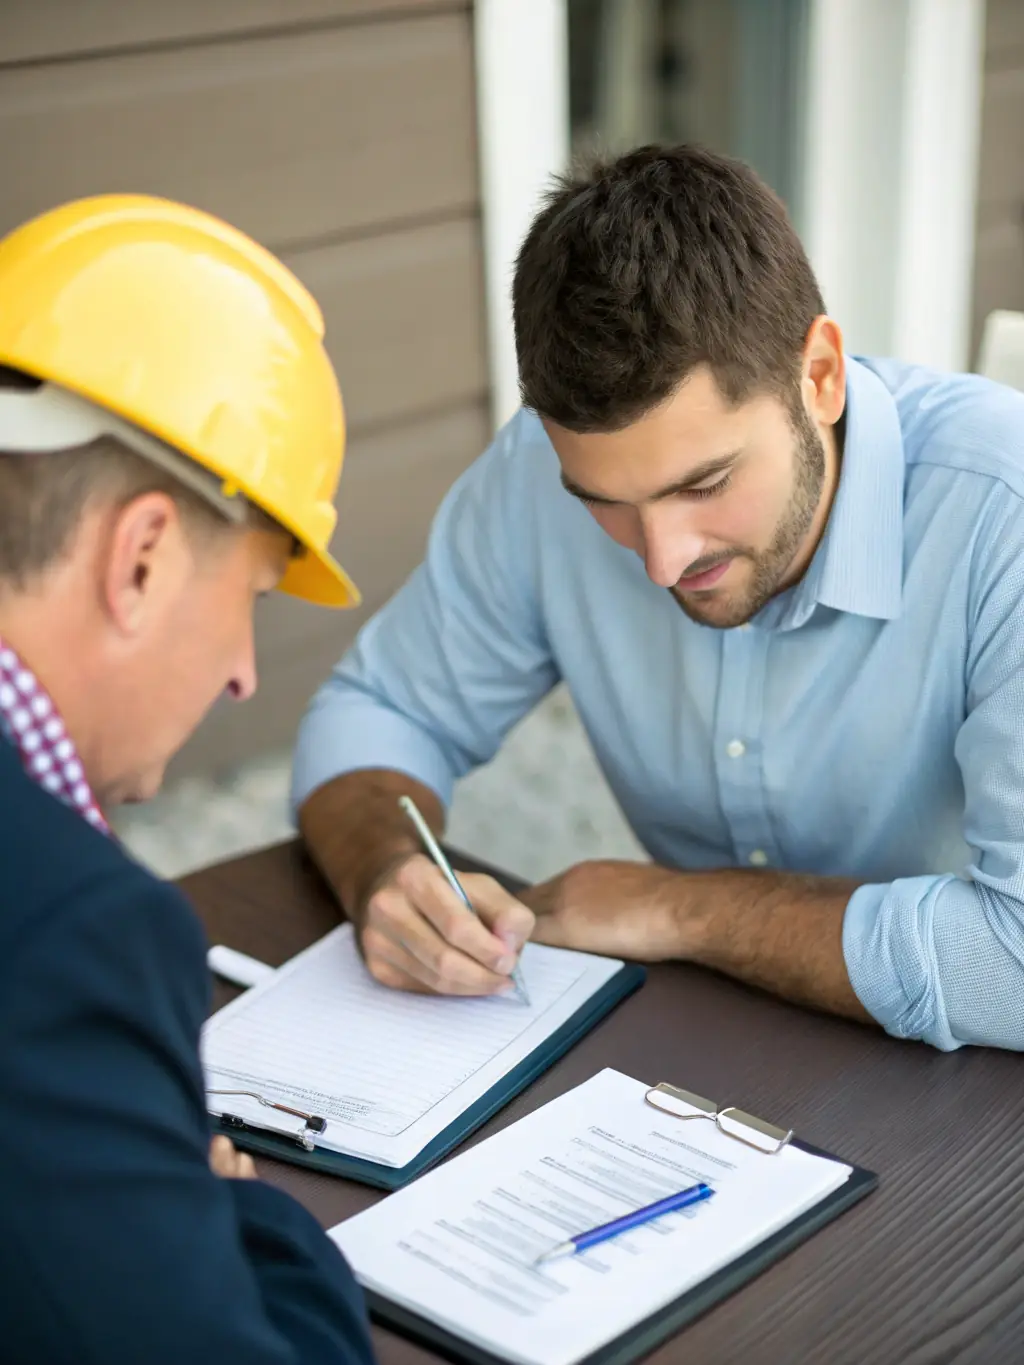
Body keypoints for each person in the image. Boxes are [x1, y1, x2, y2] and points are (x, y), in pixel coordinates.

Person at [294, 143, 1024, 1055]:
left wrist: (681, 908)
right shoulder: (535, 475)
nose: (662, 561)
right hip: (703, 1038)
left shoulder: (1003, 513)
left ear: (821, 375)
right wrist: (386, 870)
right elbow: (377, 712)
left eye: (704, 483)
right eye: (603, 502)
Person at [0, 195, 372, 1363]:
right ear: (143, 558)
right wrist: (242, 1208)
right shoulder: (69, 940)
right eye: (252, 596)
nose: (245, 674)